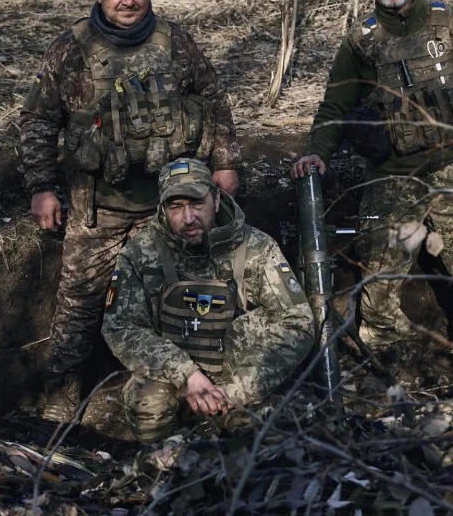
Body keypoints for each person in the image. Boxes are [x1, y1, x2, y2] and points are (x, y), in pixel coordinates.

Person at [19, 0, 241, 422]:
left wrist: (224, 164)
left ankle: (187, 399)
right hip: (97, 205)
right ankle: (60, 405)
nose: (128, 0)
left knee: (183, 296)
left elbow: (212, 99)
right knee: (80, 302)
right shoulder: (70, 48)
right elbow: (38, 119)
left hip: (171, 203)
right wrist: (42, 187)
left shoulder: (175, 40)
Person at [291, 0, 453, 368]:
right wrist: (316, 152)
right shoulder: (361, 40)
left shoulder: (451, 24)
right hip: (390, 174)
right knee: (378, 286)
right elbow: (335, 105)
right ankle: (389, 364)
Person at [103, 158, 314, 442]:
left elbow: (298, 322)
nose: (188, 218)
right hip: (175, 381)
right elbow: (120, 327)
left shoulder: (257, 247)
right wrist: (186, 374)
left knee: (271, 431)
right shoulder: (140, 253)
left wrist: (236, 392)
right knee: (148, 405)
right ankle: (169, 466)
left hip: (239, 380)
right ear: (163, 210)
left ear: (216, 200)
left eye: (197, 204)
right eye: (176, 207)